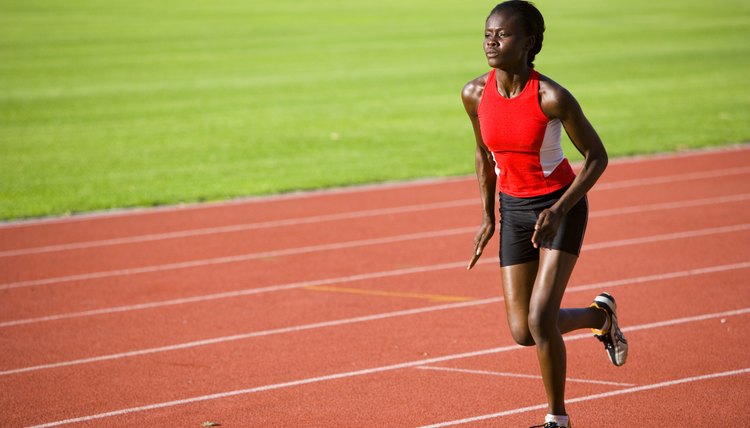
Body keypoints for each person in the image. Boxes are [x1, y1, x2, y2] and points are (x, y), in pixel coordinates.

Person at [462, 2, 628, 427]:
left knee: (540, 318)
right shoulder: (475, 93)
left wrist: (558, 208)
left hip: (560, 206)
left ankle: (557, 419)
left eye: (503, 35)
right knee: (523, 331)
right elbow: (483, 155)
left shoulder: (551, 97)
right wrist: (487, 217)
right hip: (513, 209)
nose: (492, 42)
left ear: (530, 42)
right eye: (488, 34)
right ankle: (600, 316)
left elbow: (596, 157)